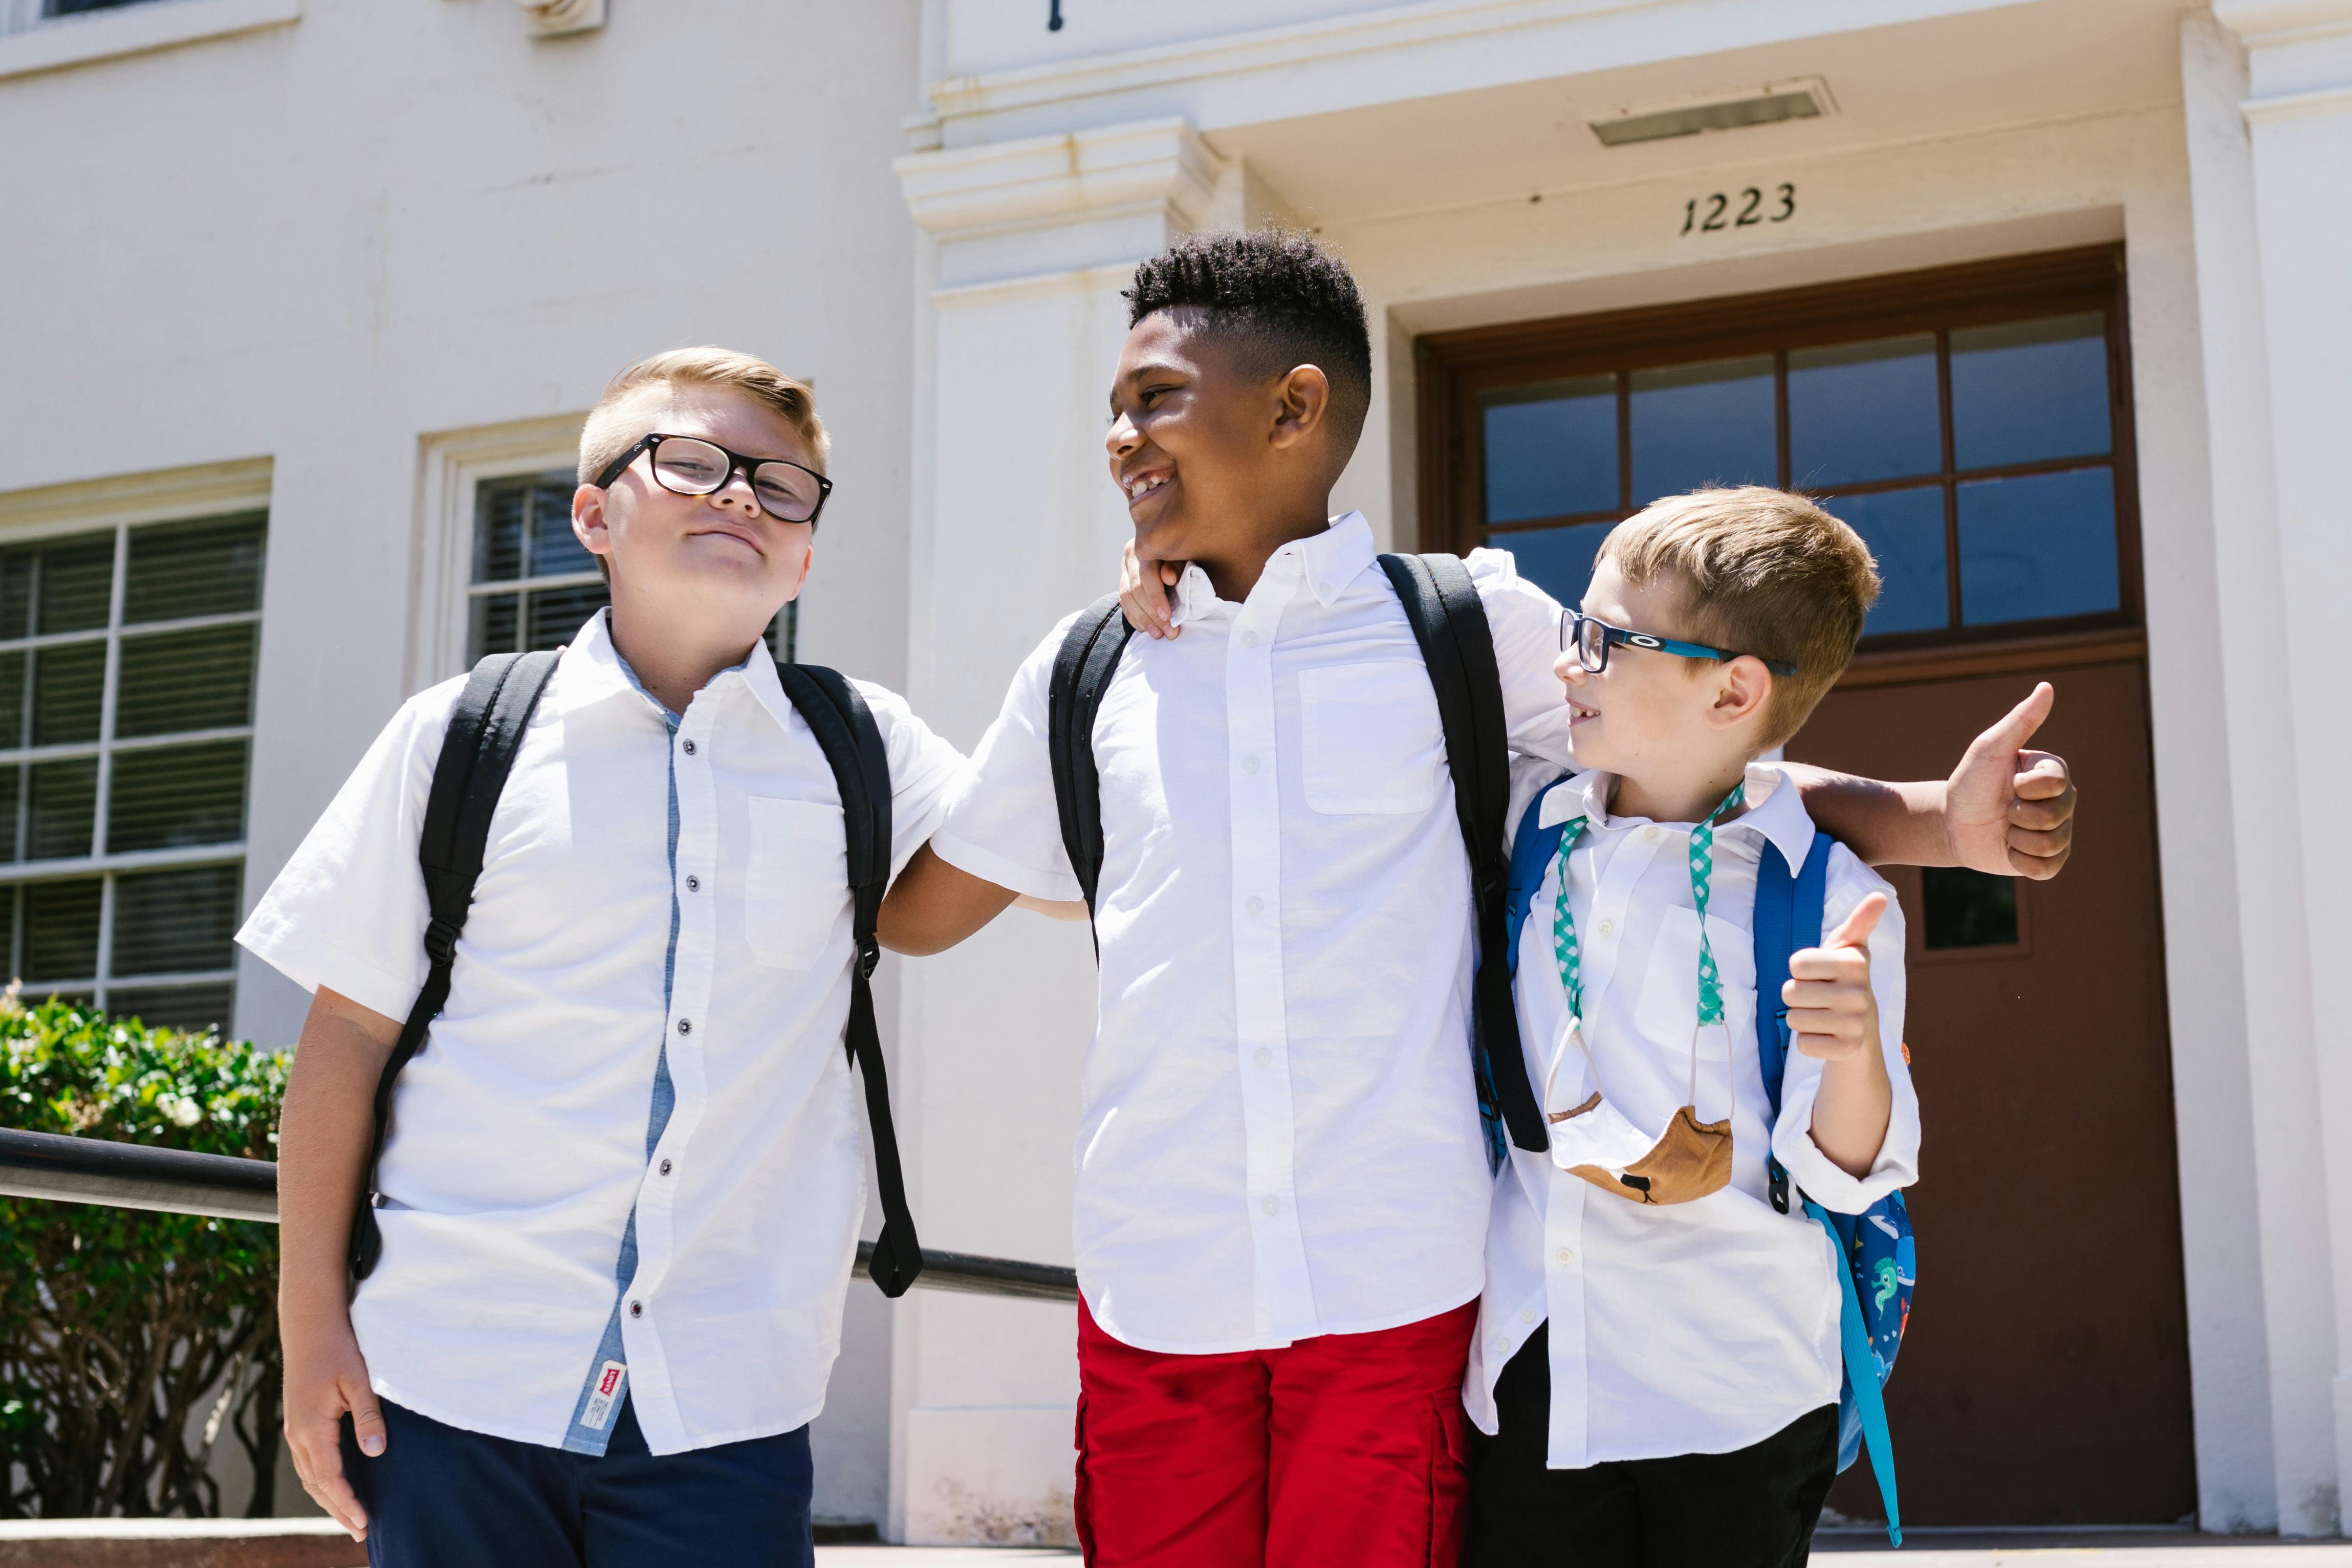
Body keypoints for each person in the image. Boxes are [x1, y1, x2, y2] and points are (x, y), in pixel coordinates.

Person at [877, 229, 2075, 1568]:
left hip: (1397, 1287)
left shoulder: (1468, 629)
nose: (1120, 435)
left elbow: (1691, 749)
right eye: (1114, 408)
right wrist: (833, 770)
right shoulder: (1088, 667)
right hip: (1158, 1285)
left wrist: (1927, 822)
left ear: (1294, 408)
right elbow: (926, 905)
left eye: (1154, 397)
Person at [248, 348, 967, 1566]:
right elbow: (348, 1038)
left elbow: (1016, 856)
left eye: (782, 489)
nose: (742, 496)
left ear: (804, 552)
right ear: (594, 511)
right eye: (694, 463)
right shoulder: (463, 734)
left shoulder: (864, 748)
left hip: (727, 1406)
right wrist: (308, 1323)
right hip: (453, 1382)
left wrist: (1142, 633)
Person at [1467, 485, 1914, 1566]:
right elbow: (1422, 604)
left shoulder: (1823, 891)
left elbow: (1852, 1170)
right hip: (1539, 1355)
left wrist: (1853, 1049)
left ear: (1736, 691)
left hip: (1738, 1386)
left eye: (1605, 641)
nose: (1567, 663)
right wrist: (1183, 564)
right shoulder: (1536, 816)